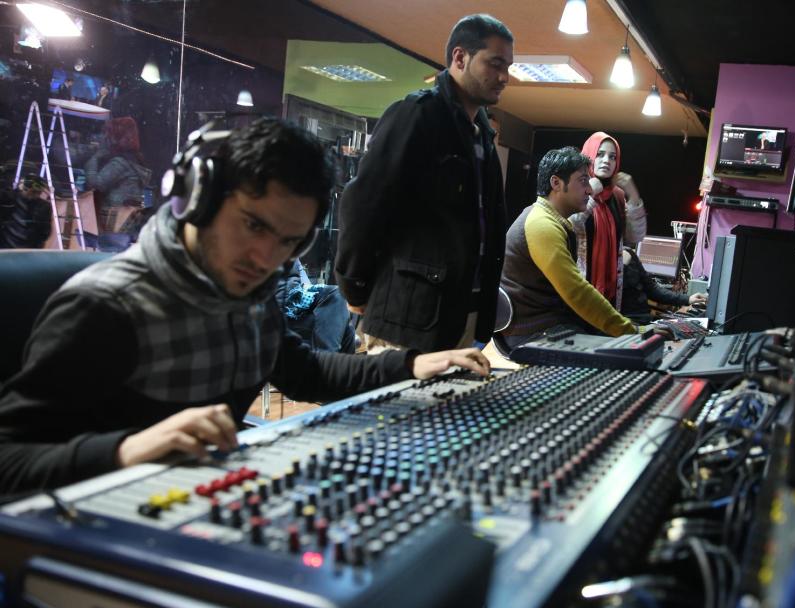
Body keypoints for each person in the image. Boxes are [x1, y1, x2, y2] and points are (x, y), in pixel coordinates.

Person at [0, 118, 490, 495]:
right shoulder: (106, 307)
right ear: (198, 198)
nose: (267, 258)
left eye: (289, 242)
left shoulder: (247, 296)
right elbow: (10, 459)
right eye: (254, 226)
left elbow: (306, 372)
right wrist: (126, 450)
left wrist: (410, 364)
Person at [335, 14, 513, 353]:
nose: (504, 77)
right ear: (460, 58)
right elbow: (364, 203)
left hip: (465, 316)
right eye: (495, 63)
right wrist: (353, 287)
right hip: (408, 319)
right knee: (395, 407)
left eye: (508, 66)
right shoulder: (417, 114)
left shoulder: (485, 135)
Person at [499, 147, 640, 350]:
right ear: (556, 183)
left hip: (551, 328)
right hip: (532, 335)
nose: (590, 190)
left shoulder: (550, 219)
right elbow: (576, 292)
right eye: (583, 181)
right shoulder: (541, 224)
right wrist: (632, 332)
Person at [571, 132, 648, 314]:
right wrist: (591, 193)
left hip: (611, 293)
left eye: (612, 157)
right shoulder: (573, 188)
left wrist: (634, 195)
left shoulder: (617, 195)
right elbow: (569, 225)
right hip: (579, 288)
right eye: (600, 154)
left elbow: (636, 236)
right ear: (588, 156)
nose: (606, 161)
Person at [84, 117, 152, 251]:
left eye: (107, 134)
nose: (103, 138)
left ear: (115, 137)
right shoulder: (135, 160)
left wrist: (94, 159)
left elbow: (95, 184)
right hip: (127, 221)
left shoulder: (120, 163)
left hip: (113, 221)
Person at [275, 259, 356, 354]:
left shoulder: (290, 254)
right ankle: (325, 361)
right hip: (282, 301)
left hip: (296, 293)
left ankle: (333, 363)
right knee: (336, 295)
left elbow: (304, 281)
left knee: (346, 321)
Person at [620, 247, 707, 323]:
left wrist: (688, 299)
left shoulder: (628, 253)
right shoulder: (612, 261)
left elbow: (652, 289)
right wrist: (622, 266)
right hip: (625, 325)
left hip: (644, 320)